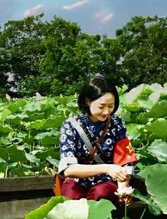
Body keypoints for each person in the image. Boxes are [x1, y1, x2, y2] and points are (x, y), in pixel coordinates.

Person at [58, 75, 138, 205]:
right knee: (70, 198)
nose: (106, 111)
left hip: (106, 182)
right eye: (101, 106)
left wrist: (123, 190)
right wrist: (107, 168)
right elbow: (68, 169)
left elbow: (125, 163)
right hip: (78, 180)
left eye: (111, 106)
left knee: (101, 194)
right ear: (88, 101)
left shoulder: (117, 124)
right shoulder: (70, 125)